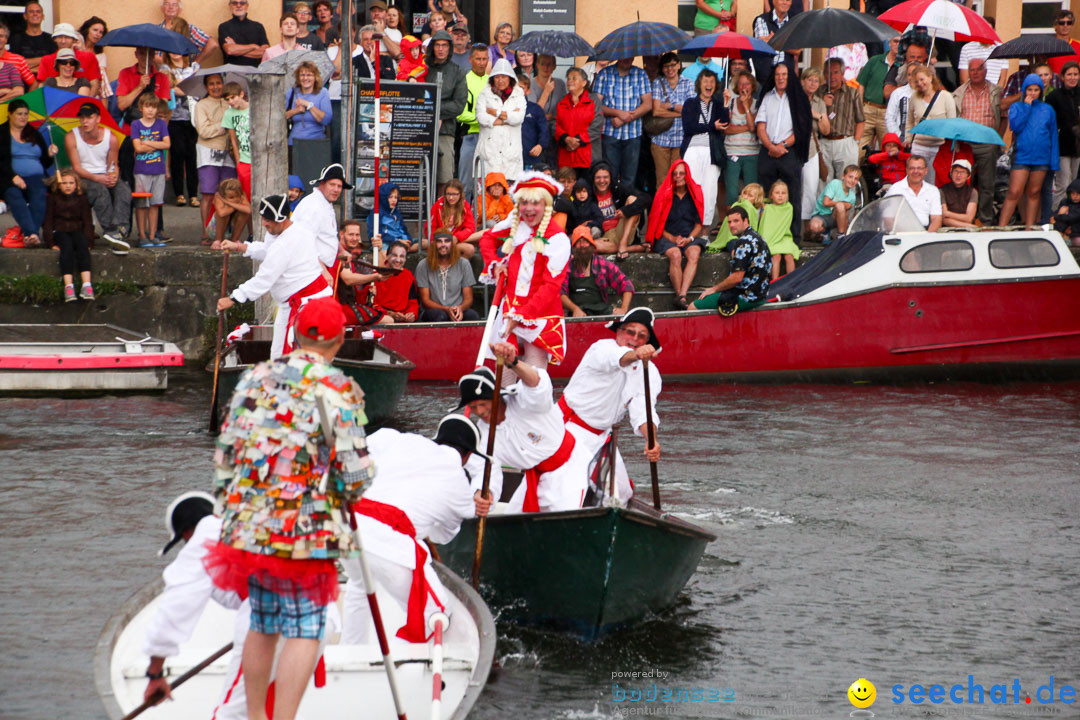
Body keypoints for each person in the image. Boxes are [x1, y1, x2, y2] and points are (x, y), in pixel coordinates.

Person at [203, 296, 373, 720]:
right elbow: (354, 476)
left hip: (248, 523)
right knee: (306, 627)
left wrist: (231, 508)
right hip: (305, 529)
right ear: (339, 341)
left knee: (263, 622)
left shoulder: (253, 377)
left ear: (295, 335)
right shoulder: (337, 389)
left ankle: (257, 715)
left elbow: (225, 452)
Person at [341, 416, 491, 645]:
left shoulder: (398, 439)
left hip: (346, 525)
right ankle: (406, 672)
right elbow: (443, 536)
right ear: (468, 455)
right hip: (385, 541)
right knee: (436, 614)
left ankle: (350, 653)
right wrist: (474, 505)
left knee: (360, 586)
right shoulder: (459, 484)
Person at [141, 492, 247, 719]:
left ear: (187, 532)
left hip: (269, 623)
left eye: (184, 541)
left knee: (230, 715)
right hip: (317, 619)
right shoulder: (240, 523)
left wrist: (155, 672)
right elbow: (235, 595)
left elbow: (178, 605)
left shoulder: (205, 535)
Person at [459, 354, 589, 513]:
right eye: (473, 407)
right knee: (511, 521)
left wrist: (513, 362)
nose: (479, 411)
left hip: (569, 470)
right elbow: (485, 473)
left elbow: (538, 384)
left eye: (483, 404)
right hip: (533, 477)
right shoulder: (481, 436)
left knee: (563, 523)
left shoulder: (524, 399)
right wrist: (482, 495)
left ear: (497, 398)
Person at [558, 306, 660, 504]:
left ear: (647, 342)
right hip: (568, 428)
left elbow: (642, 412)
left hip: (603, 438)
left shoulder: (649, 372)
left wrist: (652, 441)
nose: (635, 339)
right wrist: (637, 355)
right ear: (619, 332)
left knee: (622, 495)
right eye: (630, 331)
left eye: (642, 336)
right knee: (570, 490)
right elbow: (619, 358)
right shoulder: (602, 348)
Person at [219, 195, 334, 358]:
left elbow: (264, 279)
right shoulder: (293, 230)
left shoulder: (284, 245)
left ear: (281, 220)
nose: (264, 224)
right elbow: (268, 249)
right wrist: (239, 246)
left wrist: (233, 298)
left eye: (269, 220)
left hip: (309, 306)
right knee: (278, 354)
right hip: (294, 303)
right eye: (264, 219)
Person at [478, 172, 571, 372]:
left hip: (540, 312)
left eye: (535, 203)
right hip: (510, 305)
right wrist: (495, 264)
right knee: (504, 377)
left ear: (546, 205)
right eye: (524, 202)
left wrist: (522, 315)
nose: (528, 209)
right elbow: (487, 239)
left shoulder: (558, 239)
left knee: (534, 377)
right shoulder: (515, 222)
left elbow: (551, 287)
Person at [756, 63, 811, 244]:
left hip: (789, 152)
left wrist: (782, 146)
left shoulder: (798, 98)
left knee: (792, 195)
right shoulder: (767, 97)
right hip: (768, 151)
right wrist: (771, 147)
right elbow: (760, 126)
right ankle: (765, 235)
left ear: (790, 77)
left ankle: (793, 237)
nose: (780, 78)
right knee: (765, 195)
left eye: (784, 74)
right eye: (778, 74)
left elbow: (802, 128)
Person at [64, 102, 130, 251]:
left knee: (123, 190)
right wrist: (97, 178)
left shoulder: (111, 138)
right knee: (100, 191)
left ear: (98, 119)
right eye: (82, 118)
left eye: (89, 117)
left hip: (103, 174)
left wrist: (113, 176)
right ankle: (110, 230)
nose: (85, 121)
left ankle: (120, 229)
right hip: (83, 176)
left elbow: (113, 165)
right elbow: (77, 168)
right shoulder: (71, 137)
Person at [999, 75, 1058, 227]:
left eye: (1036, 90)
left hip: (1042, 158)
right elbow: (1015, 127)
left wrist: (1054, 161)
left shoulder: (1048, 109)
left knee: (1034, 193)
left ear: (1041, 91)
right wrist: (1026, 107)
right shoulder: (1017, 107)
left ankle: (1029, 228)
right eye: (1029, 89)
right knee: (1014, 192)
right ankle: (1001, 227)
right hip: (1022, 157)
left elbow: (1053, 136)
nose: (1032, 93)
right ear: (1024, 91)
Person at [691, 205, 772, 315]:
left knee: (693, 306)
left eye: (736, 221)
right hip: (761, 294)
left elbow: (736, 278)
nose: (732, 225)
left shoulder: (743, 242)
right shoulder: (758, 237)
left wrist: (714, 289)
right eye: (729, 222)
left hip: (746, 297)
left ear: (746, 221)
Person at [647, 160, 706, 309]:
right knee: (675, 255)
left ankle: (682, 295)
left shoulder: (695, 194)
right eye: (675, 174)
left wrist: (689, 239)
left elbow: (699, 224)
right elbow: (657, 224)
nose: (678, 176)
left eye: (682, 173)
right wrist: (672, 238)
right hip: (667, 237)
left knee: (694, 253)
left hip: (688, 236)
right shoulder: (664, 194)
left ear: (687, 176)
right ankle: (680, 296)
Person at [953, 57, 1003, 224]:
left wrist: (998, 139)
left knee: (986, 184)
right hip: (965, 144)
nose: (975, 73)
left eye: (979, 69)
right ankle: (965, 218)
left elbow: (1003, 117)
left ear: (986, 71)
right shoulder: (958, 93)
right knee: (963, 182)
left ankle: (985, 219)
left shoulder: (996, 91)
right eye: (972, 69)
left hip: (987, 144)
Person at [593, 57, 653, 188]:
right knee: (610, 177)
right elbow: (596, 105)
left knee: (629, 178)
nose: (627, 58)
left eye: (630, 55)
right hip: (610, 134)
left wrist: (627, 117)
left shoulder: (640, 74)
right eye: (624, 55)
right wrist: (618, 113)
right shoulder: (605, 74)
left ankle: (625, 207)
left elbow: (648, 104)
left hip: (633, 135)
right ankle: (611, 206)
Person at [0, 100, 53, 246]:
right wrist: (13, 176)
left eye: (26, 114)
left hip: (36, 176)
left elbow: (45, 163)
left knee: (39, 195)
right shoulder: (2, 133)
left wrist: (49, 154)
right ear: (10, 114)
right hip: (8, 177)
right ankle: (31, 233)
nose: (23, 117)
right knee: (14, 196)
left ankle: (31, 234)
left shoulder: (33, 133)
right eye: (19, 114)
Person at [43, 169, 95, 301]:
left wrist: (89, 240)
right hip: (60, 230)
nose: (67, 186)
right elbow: (48, 220)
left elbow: (87, 221)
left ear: (76, 184)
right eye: (64, 183)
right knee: (66, 248)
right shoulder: (53, 199)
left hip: (76, 229)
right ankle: (69, 286)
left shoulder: (82, 199)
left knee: (82, 245)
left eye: (71, 183)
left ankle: (87, 285)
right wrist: (50, 242)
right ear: (58, 184)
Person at [195, 74, 237, 234]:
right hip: (207, 153)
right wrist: (224, 126)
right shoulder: (202, 105)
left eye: (218, 83)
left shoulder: (230, 104)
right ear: (206, 87)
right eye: (211, 84)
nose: (215, 86)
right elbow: (204, 131)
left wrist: (216, 127)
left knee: (230, 193)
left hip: (228, 153)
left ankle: (225, 230)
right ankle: (206, 232)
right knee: (208, 194)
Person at [560, 225, 634, 317]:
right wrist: (575, 309)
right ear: (573, 247)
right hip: (576, 316)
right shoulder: (567, 266)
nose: (582, 245)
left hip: (601, 314)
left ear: (591, 245)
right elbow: (560, 293)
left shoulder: (602, 264)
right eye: (578, 242)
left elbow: (626, 284)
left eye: (585, 241)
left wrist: (623, 309)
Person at [427, 30, 468, 196]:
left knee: (444, 177)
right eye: (437, 45)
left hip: (445, 131)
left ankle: (441, 215)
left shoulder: (457, 71)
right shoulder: (423, 67)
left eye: (444, 45)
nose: (441, 49)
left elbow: (459, 105)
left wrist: (436, 111)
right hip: (418, 128)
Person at [476, 58, 526, 183]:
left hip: (511, 155)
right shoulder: (484, 94)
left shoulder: (519, 95)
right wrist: (505, 119)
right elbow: (481, 117)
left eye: (504, 77)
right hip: (489, 151)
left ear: (510, 78)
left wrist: (495, 112)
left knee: (508, 198)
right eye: (497, 77)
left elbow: (518, 118)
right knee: (485, 196)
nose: (501, 80)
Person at [129, 95, 169, 249]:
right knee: (141, 204)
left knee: (155, 204)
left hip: (158, 169)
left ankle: (152, 235)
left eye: (153, 106)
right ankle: (142, 235)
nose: (150, 109)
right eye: (147, 106)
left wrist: (147, 142)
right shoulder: (136, 124)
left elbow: (167, 144)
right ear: (141, 108)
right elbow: (138, 148)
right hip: (141, 170)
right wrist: (157, 144)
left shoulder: (161, 124)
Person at [651, 52, 695, 189]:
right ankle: (663, 210)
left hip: (681, 139)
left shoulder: (688, 83)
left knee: (679, 180)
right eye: (666, 66)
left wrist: (671, 106)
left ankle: (676, 209)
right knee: (662, 181)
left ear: (679, 65)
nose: (669, 69)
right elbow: (656, 111)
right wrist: (679, 113)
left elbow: (691, 110)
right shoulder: (658, 83)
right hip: (660, 139)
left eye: (672, 65)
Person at [160, 52, 199, 208]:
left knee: (192, 156)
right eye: (172, 51)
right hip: (174, 118)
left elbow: (196, 89)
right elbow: (168, 88)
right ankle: (179, 194)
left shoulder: (194, 67)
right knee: (177, 154)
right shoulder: (164, 68)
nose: (175, 54)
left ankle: (194, 194)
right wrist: (185, 86)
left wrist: (177, 85)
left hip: (191, 118)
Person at [334, 219, 391, 326]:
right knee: (388, 321)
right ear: (341, 234)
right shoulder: (339, 254)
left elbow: (381, 269)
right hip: (337, 308)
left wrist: (378, 250)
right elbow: (348, 279)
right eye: (351, 234)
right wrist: (375, 276)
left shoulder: (350, 257)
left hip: (347, 306)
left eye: (357, 235)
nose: (355, 238)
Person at [293, 163, 350, 268]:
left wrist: (341, 250)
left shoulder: (325, 203)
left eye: (339, 186)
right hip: (308, 268)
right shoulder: (313, 206)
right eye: (332, 184)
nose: (336, 189)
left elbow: (329, 235)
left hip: (320, 267)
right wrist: (323, 271)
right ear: (322, 184)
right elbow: (304, 243)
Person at [905, 65, 956, 185]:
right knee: (918, 180)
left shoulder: (946, 97)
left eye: (922, 79)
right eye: (916, 81)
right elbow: (910, 121)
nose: (920, 83)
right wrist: (908, 138)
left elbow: (952, 122)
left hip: (939, 147)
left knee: (936, 181)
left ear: (930, 77)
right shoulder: (914, 98)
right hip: (919, 146)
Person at [817, 57, 865, 183]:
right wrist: (823, 103)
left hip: (845, 142)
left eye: (836, 72)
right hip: (824, 142)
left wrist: (856, 142)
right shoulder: (819, 92)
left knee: (846, 183)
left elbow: (860, 120)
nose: (832, 76)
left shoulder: (852, 93)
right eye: (828, 73)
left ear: (842, 73)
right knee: (823, 183)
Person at [416, 229, 479, 322]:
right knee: (440, 316)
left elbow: (468, 298)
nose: (443, 244)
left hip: (457, 308)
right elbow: (425, 301)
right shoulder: (423, 265)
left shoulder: (463, 264)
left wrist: (460, 308)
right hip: (433, 311)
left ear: (452, 244)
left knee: (473, 316)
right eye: (439, 241)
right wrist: (445, 309)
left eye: (447, 241)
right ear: (433, 244)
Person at [590, 161, 650, 257]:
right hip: (603, 236)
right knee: (592, 246)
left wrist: (626, 211)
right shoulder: (589, 194)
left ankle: (623, 243)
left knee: (632, 199)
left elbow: (646, 198)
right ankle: (631, 248)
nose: (602, 181)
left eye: (605, 177)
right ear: (593, 179)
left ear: (610, 178)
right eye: (598, 177)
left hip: (621, 230)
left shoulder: (617, 189)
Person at [455, 43, 488, 204]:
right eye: (478, 59)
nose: (482, 62)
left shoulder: (492, 82)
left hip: (490, 138)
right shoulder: (464, 80)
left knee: (488, 184)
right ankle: (464, 223)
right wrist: (482, 118)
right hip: (470, 136)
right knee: (466, 183)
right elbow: (460, 113)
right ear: (470, 60)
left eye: (485, 59)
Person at [857, 35, 900, 157]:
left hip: (888, 112)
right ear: (889, 43)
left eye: (901, 42)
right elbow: (861, 84)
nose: (898, 44)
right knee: (860, 149)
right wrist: (860, 108)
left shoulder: (903, 66)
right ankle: (859, 175)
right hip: (868, 109)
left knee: (887, 150)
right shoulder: (875, 60)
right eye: (895, 41)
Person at [722, 70, 760, 207]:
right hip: (732, 152)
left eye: (747, 84)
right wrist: (747, 127)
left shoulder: (757, 104)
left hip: (752, 153)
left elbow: (754, 128)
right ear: (737, 87)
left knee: (752, 194)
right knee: (731, 193)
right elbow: (726, 129)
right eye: (741, 84)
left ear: (752, 86)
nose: (744, 87)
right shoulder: (730, 103)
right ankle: (731, 224)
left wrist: (745, 106)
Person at [1046, 61, 1080, 209]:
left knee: (1077, 184)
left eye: (1076, 74)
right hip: (1062, 145)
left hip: (1079, 146)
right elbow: (1050, 122)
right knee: (1063, 183)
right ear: (1062, 77)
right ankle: (1056, 216)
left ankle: (1075, 217)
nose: (1073, 78)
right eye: (1069, 74)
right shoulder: (1054, 96)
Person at [799, 68, 829, 232]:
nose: (813, 83)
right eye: (809, 80)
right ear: (803, 81)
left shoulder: (819, 102)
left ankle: (807, 228)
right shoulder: (795, 98)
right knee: (796, 188)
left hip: (812, 148)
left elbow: (825, 130)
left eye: (816, 81)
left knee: (811, 189)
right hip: (794, 147)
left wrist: (816, 115)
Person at [555, 66, 602, 171]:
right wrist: (566, 139)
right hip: (566, 157)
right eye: (568, 78)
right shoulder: (562, 102)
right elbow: (555, 125)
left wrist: (577, 141)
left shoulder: (593, 101)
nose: (570, 81)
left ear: (584, 83)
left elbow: (597, 126)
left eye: (574, 78)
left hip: (588, 156)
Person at [36, 23, 100, 98]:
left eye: (67, 37)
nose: (63, 41)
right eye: (60, 37)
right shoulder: (46, 60)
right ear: (54, 39)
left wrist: (86, 104)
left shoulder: (88, 57)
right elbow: (42, 87)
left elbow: (95, 84)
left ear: (74, 39)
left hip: (82, 103)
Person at [885, 155, 943, 230]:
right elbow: (888, 219)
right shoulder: (895, 189)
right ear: (906, 170)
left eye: (919, 168)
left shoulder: (933, 191)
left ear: (926, 171)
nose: (916, 171)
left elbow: (936, 218)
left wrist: (927, 238)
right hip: (900, 233)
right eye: (912, 168)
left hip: (925, 233)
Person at [808, 164, 861, 243]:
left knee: (841, 207)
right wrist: (842, 203)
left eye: (856, 179)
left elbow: (846, 217)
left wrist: (845, 234)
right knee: (814, 227)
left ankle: (841, 236)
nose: (852, 180)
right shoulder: (835, 183)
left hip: (837, 218)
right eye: (850, 177)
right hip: (822, 214)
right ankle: (825, 232)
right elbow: (826, 202)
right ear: (843, 176)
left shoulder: (852, 196)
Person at [286, 61, 332, 150]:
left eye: (309, 75)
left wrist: (309, 105)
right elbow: (280, 117)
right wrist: (296, 110)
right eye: (302, 75)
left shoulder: (323, 93)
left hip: (316, 143)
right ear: (298, 77)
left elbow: (326, 120)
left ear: (315, 77)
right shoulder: (291, 92)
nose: (305, 78)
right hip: (294, 143)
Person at [758, 180, 798, 280]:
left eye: (783, 193)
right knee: (776, 256)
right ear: (771, 195)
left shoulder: (788, 207)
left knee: (789, 255)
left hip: (784, 237)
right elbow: (763, 225)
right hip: (771, 238)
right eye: (777, 193)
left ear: (787, 196)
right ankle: (774, 281)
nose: (780, 196)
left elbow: (784, 225)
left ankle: (791, 280)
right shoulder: (767, 208)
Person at [160, 0, 219, 66]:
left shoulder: (188, 29)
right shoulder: (156, 30)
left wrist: (195, 63)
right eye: (167, 4)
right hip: (163, 73)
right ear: (162, 8)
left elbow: (212, 44)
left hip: (185, 73)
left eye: (175, 4)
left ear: (180, 10)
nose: (171, 7)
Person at [752, 0, 799, 83]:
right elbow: (761, 44)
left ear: (791, 3)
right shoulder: (761, 20)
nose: (785, 3)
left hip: (786, 77)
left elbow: (797, 50)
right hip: (766, 77)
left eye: (788, 0)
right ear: (774, 2)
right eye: (782, 0)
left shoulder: (794, 22)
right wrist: (786, 43)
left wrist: (773, 40)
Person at [372, 241, 420, 323]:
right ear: (387, 256)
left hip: (403, 319)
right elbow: (371, 304)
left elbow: (413, 302)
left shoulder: (408, 276)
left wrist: (411, 314)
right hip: (382, 318)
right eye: (394, 255)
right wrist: (390, 313)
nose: (398, 260)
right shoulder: (376, 275)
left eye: (402, 256)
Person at [708, 182, 762, 252]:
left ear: (757, 199)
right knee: (737, 249)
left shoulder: (753, 209)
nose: (745, 197)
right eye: (744, 193)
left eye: (750, 196)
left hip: (746, 239)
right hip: (732, 239)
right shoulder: (737, 205)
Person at [116, 47, 170, 116]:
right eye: (142, 53)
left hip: (153, 123)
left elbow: (163, 109)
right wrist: (140, 87)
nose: (145, 57)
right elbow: (121, 105)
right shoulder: (125, 73)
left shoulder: (162, 77)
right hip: (131, 122)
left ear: (153, 55)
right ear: (136, 54)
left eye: (149, 54)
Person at [220, 82, 251, 200]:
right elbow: (233, 140)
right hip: (244, 159)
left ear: (241, 94)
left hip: (259, 158)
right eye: (227, 99)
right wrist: (238, 163)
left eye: (233, 97)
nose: (231, 102)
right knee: (245, 196)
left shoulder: (253, 108)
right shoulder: (229, 114)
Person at [429, 179, 476, 256]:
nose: (451, 197)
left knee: (471, 247)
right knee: (423, 243)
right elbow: (430, 227)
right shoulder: (438, 205)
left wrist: (457, 237)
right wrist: (435, 240)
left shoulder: (465, 206)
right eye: (448, 194)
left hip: (456, 240)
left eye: (454, 194)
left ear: (460, 194)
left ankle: (458, 267)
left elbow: (470, 228)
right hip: (440, 240)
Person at [957, 17, 1007, 86]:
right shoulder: (967, 48)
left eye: (989, 29)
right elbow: (963, 79)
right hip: (972, 93)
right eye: (983, 29)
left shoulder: (1002, 49)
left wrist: (995, 94)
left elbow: (1003, 78)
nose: (986, 32)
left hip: (993, 93)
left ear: (994, 30)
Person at [218, 0, 269, 67]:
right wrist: (253, 46)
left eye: (242, 3)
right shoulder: (224, 27)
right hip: (232, 71)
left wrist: (236, 49)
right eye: (234, 3)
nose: (238, 5)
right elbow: (230, 50)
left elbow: (265, 53)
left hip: (255, 71)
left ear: (247, 6)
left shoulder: (258, 26)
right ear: (230, 6)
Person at [9, 2, 55, 75]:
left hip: (46, 82)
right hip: (23, 83)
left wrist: (28, 66)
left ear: (43, 16)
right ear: (25, 16)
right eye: (31, 11)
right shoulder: (17, 39)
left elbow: (53, 64)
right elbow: (16, 65)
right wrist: (44, 60)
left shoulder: (51, 39)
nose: (35, 14)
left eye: (38, 11)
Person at [517, 73, 550, 170]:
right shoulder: (505, 108)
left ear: (528, 91)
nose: (518, 91)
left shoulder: (535, 109)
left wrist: (540, 145)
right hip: (510, 160)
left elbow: (544, 131)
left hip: (530, 159)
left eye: (521, 88)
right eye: (515, 87)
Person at [529, 54, 567, 132]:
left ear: (554, 66)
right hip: (536, 127)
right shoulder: (530, 84)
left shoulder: (560, 83)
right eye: (542, 64)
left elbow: (564, 107)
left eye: (549, 64)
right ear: (537, 65)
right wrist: (546, 91)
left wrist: (553, 116)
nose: (546, 67)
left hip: (556, 127)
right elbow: (533, 111)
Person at [209, 178, 250, 248]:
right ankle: (218, 240)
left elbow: (248, 210)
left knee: (244, 214)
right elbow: (221, 213)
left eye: (237, 196)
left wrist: (228, 202)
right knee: (224, 214)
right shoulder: (218, 196)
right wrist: (237, 206)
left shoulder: (242, 195)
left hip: (232, 228)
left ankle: (234, 239)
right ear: (223, 196)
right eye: (231, 197)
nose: (235, 199)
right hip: (215, 230)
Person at [368, 182, 412, 246]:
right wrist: (397, 241)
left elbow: (403, 229)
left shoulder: (397, 212)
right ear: (384, 198)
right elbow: (376, 233)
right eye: (390, 197)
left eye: (396, 197)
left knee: (423, 243)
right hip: (385, 243)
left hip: (400, 241)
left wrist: (407, 240)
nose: (394, 200)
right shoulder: (376, 212)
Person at [940, 159, 977, 228]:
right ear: (951, 173)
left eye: (962, 172)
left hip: (968, 231)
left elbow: (969, 218)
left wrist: (948, 214)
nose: (958, 175)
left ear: (968, 176)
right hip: (948, 230)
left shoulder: (973, 192)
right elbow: (944, 219)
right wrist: (970, 226)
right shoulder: (942, 190)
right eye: (956, 171)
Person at [0, 22, 35, 94]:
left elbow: (33, 84)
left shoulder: (18, 60)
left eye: (1, 36)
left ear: (6, 39)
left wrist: (26, 101)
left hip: (11, 102)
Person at [1048, 9, 1080, 76]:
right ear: (1055, 26)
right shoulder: (1047, 45)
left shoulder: (1078, 46)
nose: (1065, 25)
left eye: (1069, 23)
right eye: (1062, 23)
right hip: (1053, 84)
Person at [1052, 178, 1080, 244]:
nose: (1075, 196)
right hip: (1065, 230)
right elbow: (1056, 213)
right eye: (1072, 193)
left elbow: (1073, 216)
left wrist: (1058, 216)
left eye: (1078, 194)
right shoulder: (1065, 202)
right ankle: (1062, 235)